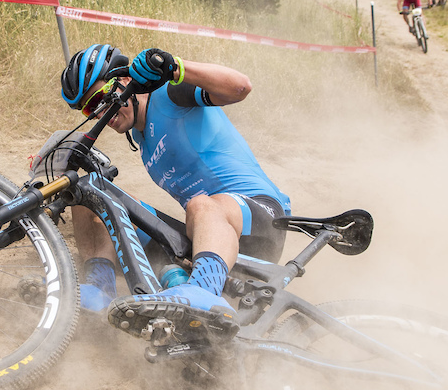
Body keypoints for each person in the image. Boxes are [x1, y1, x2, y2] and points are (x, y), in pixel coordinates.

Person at [60, 44, 291, 334]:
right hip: (206, 234)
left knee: (200, 203)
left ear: (124, 81)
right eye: (89, 109)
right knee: (92, 195)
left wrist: (174, 67)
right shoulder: (140, 137)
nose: (99, 113)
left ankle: (202, 293)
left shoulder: (168, 95)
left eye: (99, 99)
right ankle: (100, 288)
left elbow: (241, 87)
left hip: (260, 220)